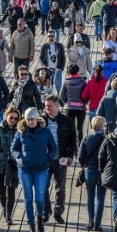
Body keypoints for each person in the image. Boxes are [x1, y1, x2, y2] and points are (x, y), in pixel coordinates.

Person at [11, 107, 57, 232]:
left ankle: (40, 217)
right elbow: (14, 148)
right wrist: (19, 158)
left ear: (37, 119)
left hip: (41, 169)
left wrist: (47, 158)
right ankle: (31, 226)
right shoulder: (21, 132)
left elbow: (53, 148)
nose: (30, 122)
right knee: (28, 198)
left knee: (40, 198)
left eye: (32, 119)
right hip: (25, 170)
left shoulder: (45, 131)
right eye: (28, 119)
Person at [42, 96, 77, 224]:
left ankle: (58, 213)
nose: (47, 108)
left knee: (60, 188)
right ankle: (46, 211)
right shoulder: (41, 121)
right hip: (45, 160)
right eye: (46, 106)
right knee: (43, 187)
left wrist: (69, 156)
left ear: (57, 106)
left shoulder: (66, 121)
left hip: (60, 159)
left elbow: (73, 139)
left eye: (50, 106)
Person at [0, 107, 21, 225]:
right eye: (11, 117)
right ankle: (4, 208)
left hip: (13, 165)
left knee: (11, 190)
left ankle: (8, 215)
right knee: (1, 192)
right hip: (0, 164)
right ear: (6, 116)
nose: (13, 120)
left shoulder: (20, 131)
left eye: (16, 118)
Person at [78, 116, 107, 231]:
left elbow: (80, 158)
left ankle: (90, 221)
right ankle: (98, 224)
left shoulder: (86, 139)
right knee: (100, 198)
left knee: (90, 196)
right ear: (102, 126)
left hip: (89, 172)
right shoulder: (106, 139)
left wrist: (84, 165)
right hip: (102, 172)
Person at [60, 64, 88, 144]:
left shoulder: (66, 81)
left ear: (68, 72)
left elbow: (61, 96)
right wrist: (84, 103)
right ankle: (80, 147)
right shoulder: (82, 81)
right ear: (78, 71)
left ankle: (73, 149)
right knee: (80, 128)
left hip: (69, 108)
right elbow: (86, 94)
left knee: (71, 129)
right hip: (81, 108)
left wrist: (67, 102)